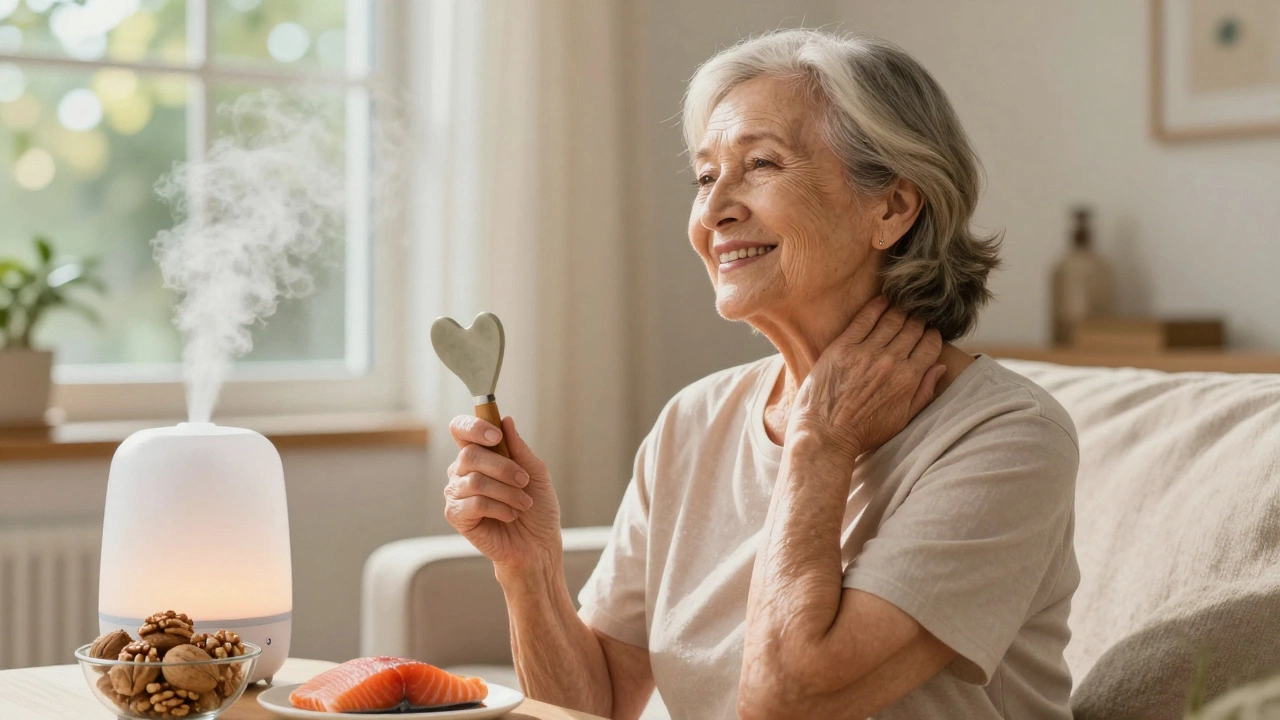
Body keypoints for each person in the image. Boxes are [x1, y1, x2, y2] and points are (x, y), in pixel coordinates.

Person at [444, 29, 1079, 720]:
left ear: (892, 208)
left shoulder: (1009, 437)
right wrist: (529, 570)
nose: (715, 211)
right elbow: (590, 707)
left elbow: (791, 701)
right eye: (707, 175)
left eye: (762, 165)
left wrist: (820, 444)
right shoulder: (694, 420)